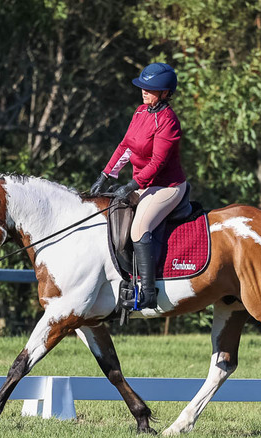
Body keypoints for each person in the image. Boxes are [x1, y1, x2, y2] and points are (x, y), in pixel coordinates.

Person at [90, 62, 188, 309]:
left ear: (166, 93)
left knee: (138, 229)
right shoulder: (140, 112)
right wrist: (106, 174)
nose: (144, 91)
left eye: (151, 89)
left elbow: (158, 162)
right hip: (143, 184)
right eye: (143, 87)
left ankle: (148, 292)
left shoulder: (168, 121)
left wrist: (132, 184)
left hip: (167, 187)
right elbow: (126, 146)